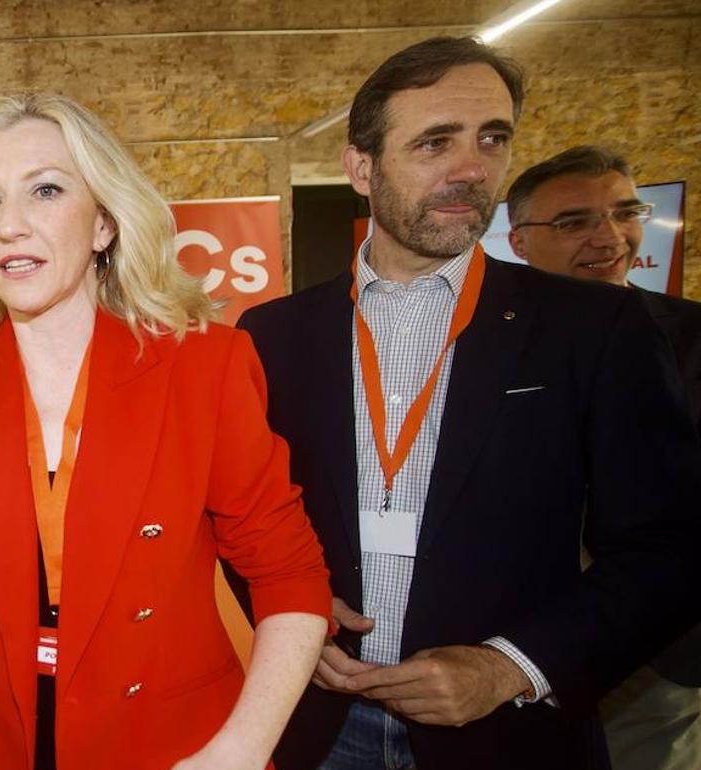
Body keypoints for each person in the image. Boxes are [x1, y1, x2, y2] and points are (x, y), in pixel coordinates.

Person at [235, 37, 701, 770]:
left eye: (492, 139)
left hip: (506, 735)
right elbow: (239, 515)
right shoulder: (272, 335)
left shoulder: (596, 329)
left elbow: (670, 547)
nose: (470, 168)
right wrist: (287, 607)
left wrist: (510, 667)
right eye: (434, 143)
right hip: (317, 725)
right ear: (362, 167)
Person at [0, 92, 332, 770]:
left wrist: (240, 750)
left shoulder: (203, 366)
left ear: (102, 224)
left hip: (178, 742)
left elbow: (292, 578)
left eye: (44, 190)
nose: (10, 226)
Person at [508, 145, 701, 770]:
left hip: (657, 658)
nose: (609, 235)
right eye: (573, 222)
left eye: (624, 212)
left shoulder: (693, 339)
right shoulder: (485, 345)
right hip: (508, 647)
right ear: (518, 241)